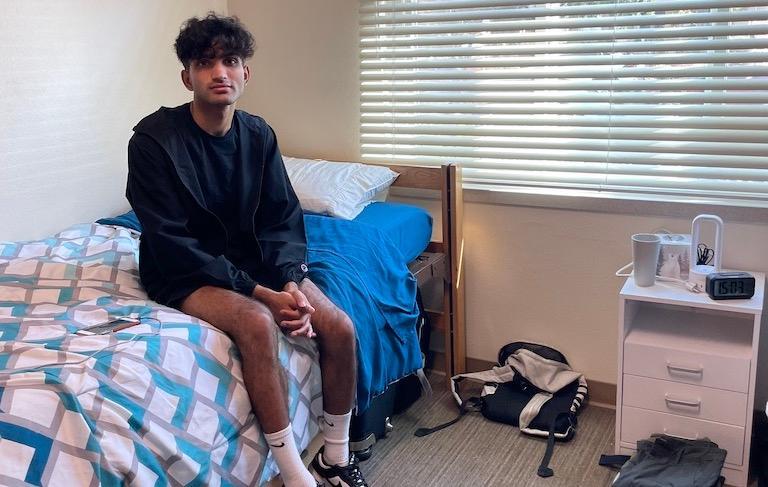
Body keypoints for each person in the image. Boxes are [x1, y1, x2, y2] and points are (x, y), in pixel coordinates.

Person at [126, 13, 367, 487]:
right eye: (205, 63)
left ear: (245, 73)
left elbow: (281, 217)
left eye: (230, 61)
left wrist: (292, 282)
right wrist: (261, 294)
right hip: (184, 269)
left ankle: (336, 459)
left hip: (255, 262)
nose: (219, 73)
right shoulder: (154, 140)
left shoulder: (258, 134)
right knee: (257, 322)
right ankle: (295, 473)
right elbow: (170, 239)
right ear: (187, 76)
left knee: (338, 326)